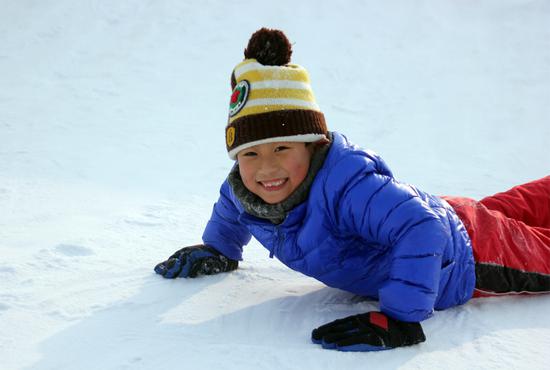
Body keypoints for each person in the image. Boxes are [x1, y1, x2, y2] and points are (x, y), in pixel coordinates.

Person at [155, 28, 550, 352]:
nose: (267, 168)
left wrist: (400, 317)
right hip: (442, 213)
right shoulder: (244, 190)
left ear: (312, 146)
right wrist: (218, 248)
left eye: (282, 148)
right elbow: (231, 211)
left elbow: (423, 230)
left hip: (467, 253)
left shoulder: (346, 188)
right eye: (250, 154)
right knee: (523, 205)